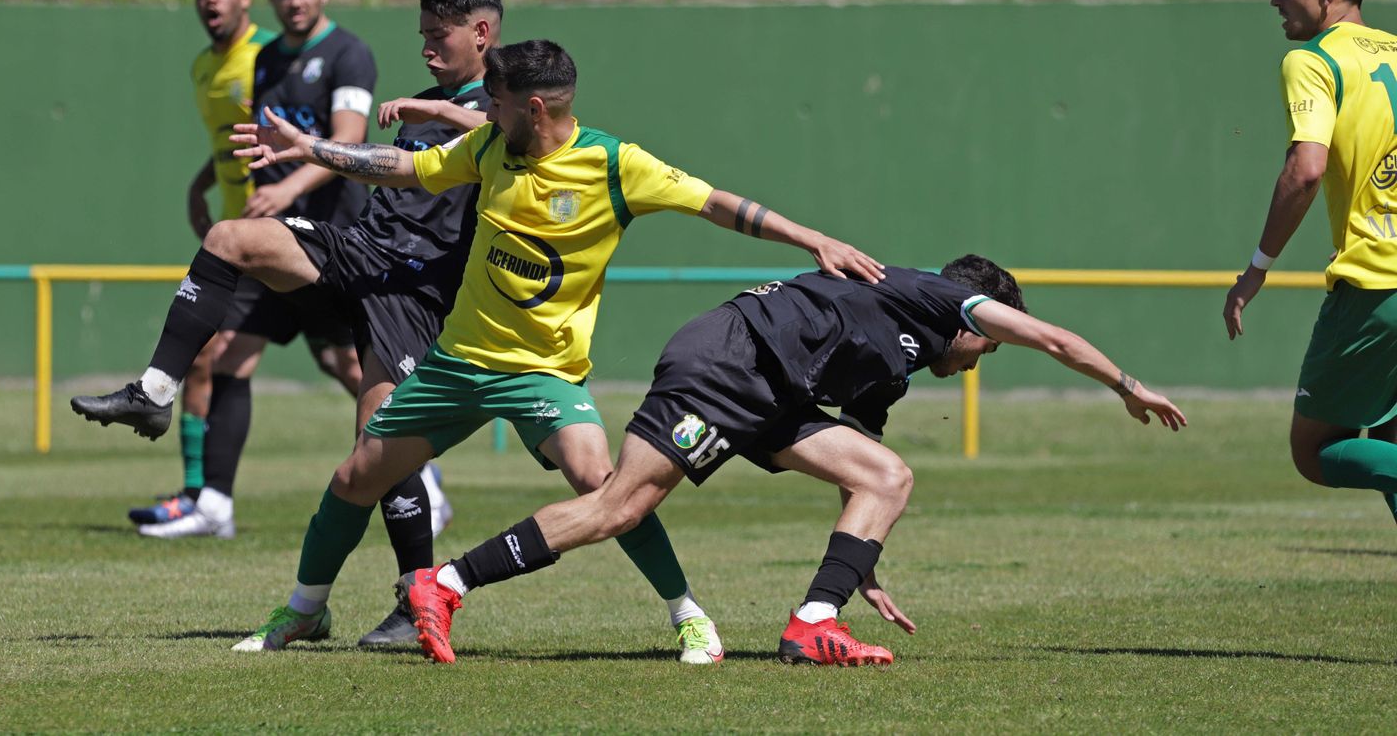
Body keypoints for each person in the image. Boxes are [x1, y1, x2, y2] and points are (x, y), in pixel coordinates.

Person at [225, 38, 887, 664]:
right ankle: (305, 611)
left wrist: (812, 240)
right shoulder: (488, 146)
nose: (484, 110)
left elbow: (718, 204)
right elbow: (406, 168)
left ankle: (688, 614)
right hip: (457, 364)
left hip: (543, 373)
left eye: (496, 100)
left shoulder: (615, 165)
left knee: (606, 488)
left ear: (533, 108)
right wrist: (308, 148)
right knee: (353, 478)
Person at [395, 256, 1188, 665]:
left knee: (885, 474)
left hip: (764, 391)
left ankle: (815, 622)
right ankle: (446, 583)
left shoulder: (892, 367)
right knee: (617, 507)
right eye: (991, 343)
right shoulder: (940, 300)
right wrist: (1128, 383)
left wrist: (860, 568)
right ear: (982, 319)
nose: (984, 360)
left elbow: (858, 477)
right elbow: (1052, 338)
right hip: (732, 363)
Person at [73, 0, 503, 643]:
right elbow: (383, 163)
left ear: (482, 33)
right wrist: (305, 150)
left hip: (414, 293)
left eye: (438, 35)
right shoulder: (422, 105)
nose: (425, 48)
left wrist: (421, 120)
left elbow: (494, 133)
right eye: (420, 35)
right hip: (357, 249)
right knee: (227, 238)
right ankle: (155, 390)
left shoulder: (504, 109)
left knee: (376, 455)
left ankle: (413, 596)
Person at [1224, 0, 1397, 522]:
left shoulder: (1313, 60)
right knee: (1392, 437)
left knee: (1316, 451)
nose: (1275, 0)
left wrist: (1256, 270)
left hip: (1378, 285)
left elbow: (1305, 171)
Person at [126, 0, 275, 529]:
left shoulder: (266, 56)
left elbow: (290, 134)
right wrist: (201, 183)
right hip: (240, 240)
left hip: (287, 233)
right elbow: (232, 143)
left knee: (348, 361)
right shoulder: (202, 68)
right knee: (209, 356)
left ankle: (415, 468)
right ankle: (198, 496)